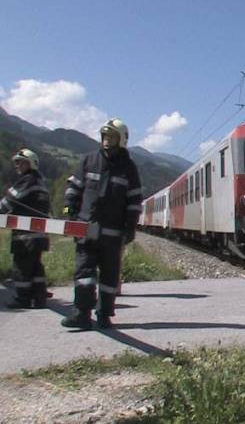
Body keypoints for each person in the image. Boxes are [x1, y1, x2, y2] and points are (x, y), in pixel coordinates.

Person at [61, 118, 142, 329]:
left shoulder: (129, 168)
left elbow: (134, 201)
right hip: (86, 229)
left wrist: (130, 227)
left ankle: (104, 315)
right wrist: (69, 211)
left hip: (113, 234)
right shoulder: (88, 160)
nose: (106, 141)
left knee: (109, 276)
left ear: (121, 140)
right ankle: (81, 314)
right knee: (84, 273)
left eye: (111, 137)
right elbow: (73, 189)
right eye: (104, 136)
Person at [0, 149, 51, 309]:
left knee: (21, 267)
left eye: (21, 162)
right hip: (39, 235)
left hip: (25, 236)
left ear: (31, 164)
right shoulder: (40, 181)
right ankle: (39, 297)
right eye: (16, 162)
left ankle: (23, 299)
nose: (17, 165)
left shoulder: (27, 180)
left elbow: (10, 201)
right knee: (36, 267)